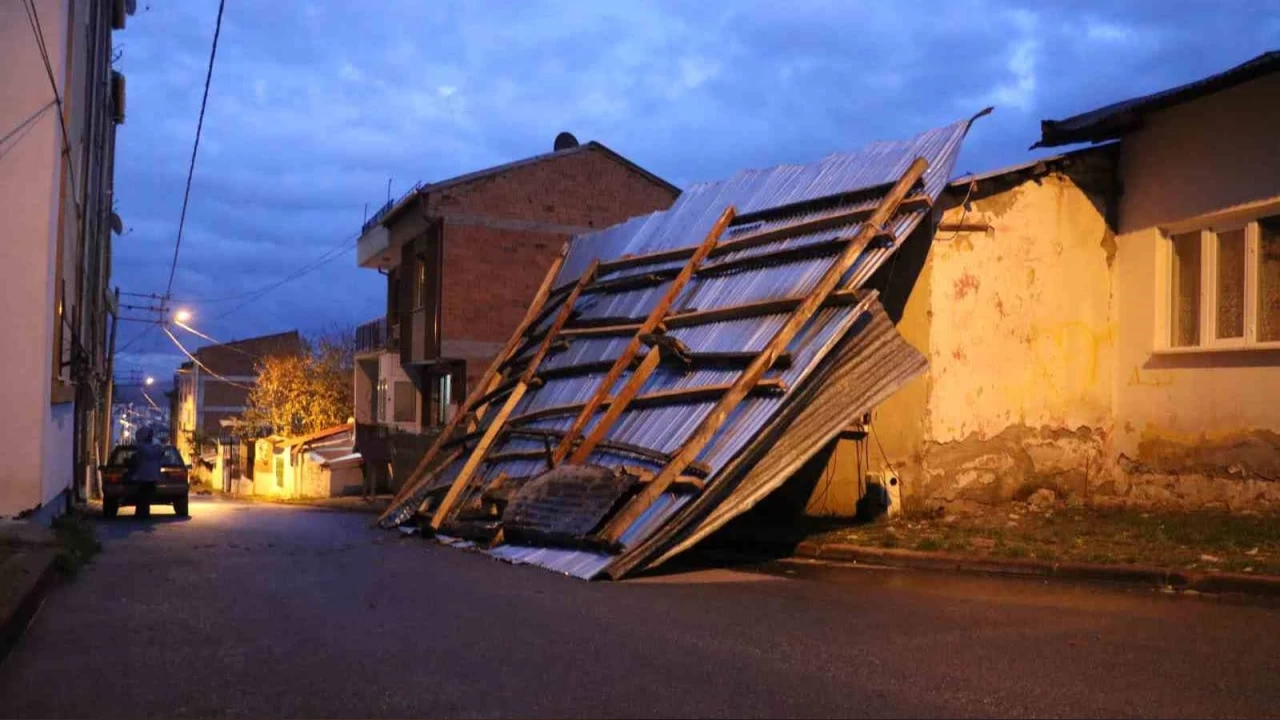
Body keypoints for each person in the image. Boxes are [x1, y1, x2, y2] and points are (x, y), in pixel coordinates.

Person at [128, 426, 165, 516]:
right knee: (147, 495)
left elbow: (136, 459)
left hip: (143, 475)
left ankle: (141, 512)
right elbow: (162, 454)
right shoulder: (157, 446)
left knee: (142, 494)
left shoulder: (141, 446)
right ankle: (144, 512)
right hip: (152, 476)